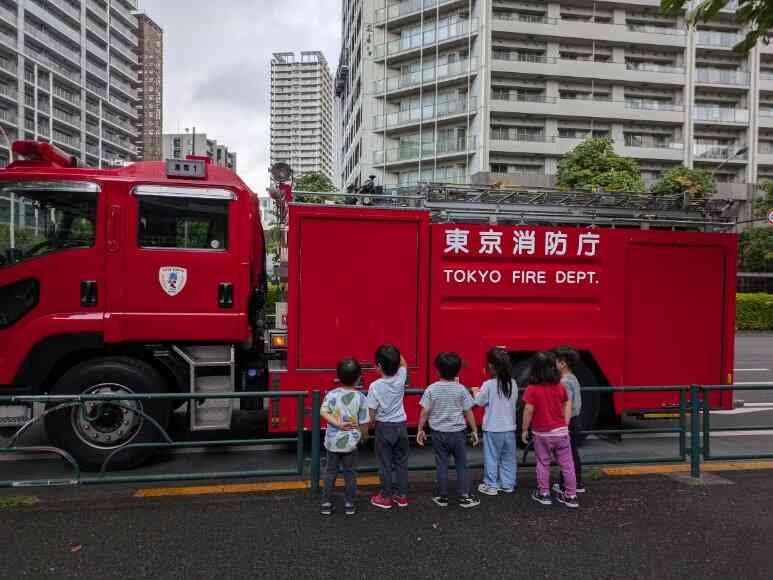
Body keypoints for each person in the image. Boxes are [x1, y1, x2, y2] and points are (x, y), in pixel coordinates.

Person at [417, 352, 480, 509]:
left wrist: (420, 429)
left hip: (438, 433)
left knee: (442, 464)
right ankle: (464, 495)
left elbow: (424, 412)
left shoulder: (431, 389)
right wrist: (474, 430)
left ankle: (442, 496)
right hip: (458, 433)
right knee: (461, 465)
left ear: (437, 371)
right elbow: (469, 411)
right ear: (458, 372)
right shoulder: (461, 390)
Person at [521, 351, 579, 509]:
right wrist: (565, 423)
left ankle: (544, 493)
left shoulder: (532, 389)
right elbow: (567, 403)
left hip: (542, 434)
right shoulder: (560, 387)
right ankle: (571, 495)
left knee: (543, 463)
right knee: (567, 464)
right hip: (561, 432)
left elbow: (528, 410)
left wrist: (524, 429)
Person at [320, 358, 369, 517]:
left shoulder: (331, 394)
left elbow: (323, 412)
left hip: (332, 443)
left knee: (330, 472)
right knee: (350, 474)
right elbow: (364, 422)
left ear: (338, 377)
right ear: (358, 378)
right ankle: (349, 505)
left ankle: (326, 504)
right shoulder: (361, 397)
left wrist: (337, 424)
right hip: (351, 443)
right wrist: (364, 436)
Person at [367, 345, 409, 509]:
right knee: (401, 463)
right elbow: (403, 364)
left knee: (385, 464)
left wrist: (369, 425)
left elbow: (371, 412)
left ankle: (385, 496)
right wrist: (395, 352)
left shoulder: (375, 386)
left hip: (384, 427)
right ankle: (402, 496)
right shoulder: (401, 377)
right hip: (401, 425)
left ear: (378, 366)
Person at [472, 347, 518, 496]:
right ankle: (508, 484)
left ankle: (491, 485)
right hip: (510, 427)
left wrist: (475, 392)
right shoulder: (513, 384)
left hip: (492, 428)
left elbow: (478, 401)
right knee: (508, 457)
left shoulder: (489, 385)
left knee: (492, 457)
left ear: (491, 366)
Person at [552, 346, 586, 495]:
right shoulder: (573, 378)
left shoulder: (564, 382)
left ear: (562, 363)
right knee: (572, 453)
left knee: (567, 455)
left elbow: (567, 403)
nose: (553, 364)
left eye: (555, 361)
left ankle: (568, 484)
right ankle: (576, 482)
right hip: (576, 419)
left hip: (568, 420)